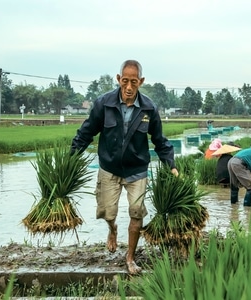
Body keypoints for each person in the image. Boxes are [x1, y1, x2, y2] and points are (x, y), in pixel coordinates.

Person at [70, 59, 178, 275]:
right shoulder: (104, 104)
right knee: (107, 212)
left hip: (137, 170)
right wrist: (70, 159)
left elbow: (160, 141)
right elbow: (86, 133)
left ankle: (130, 257)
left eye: (134, 82)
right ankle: (112, 230)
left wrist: (171, 166)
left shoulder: (149, 108)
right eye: (125, 81)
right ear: (119, 79)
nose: (129, 88)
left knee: (137, 213)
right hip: (109, 168)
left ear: (141, 81)